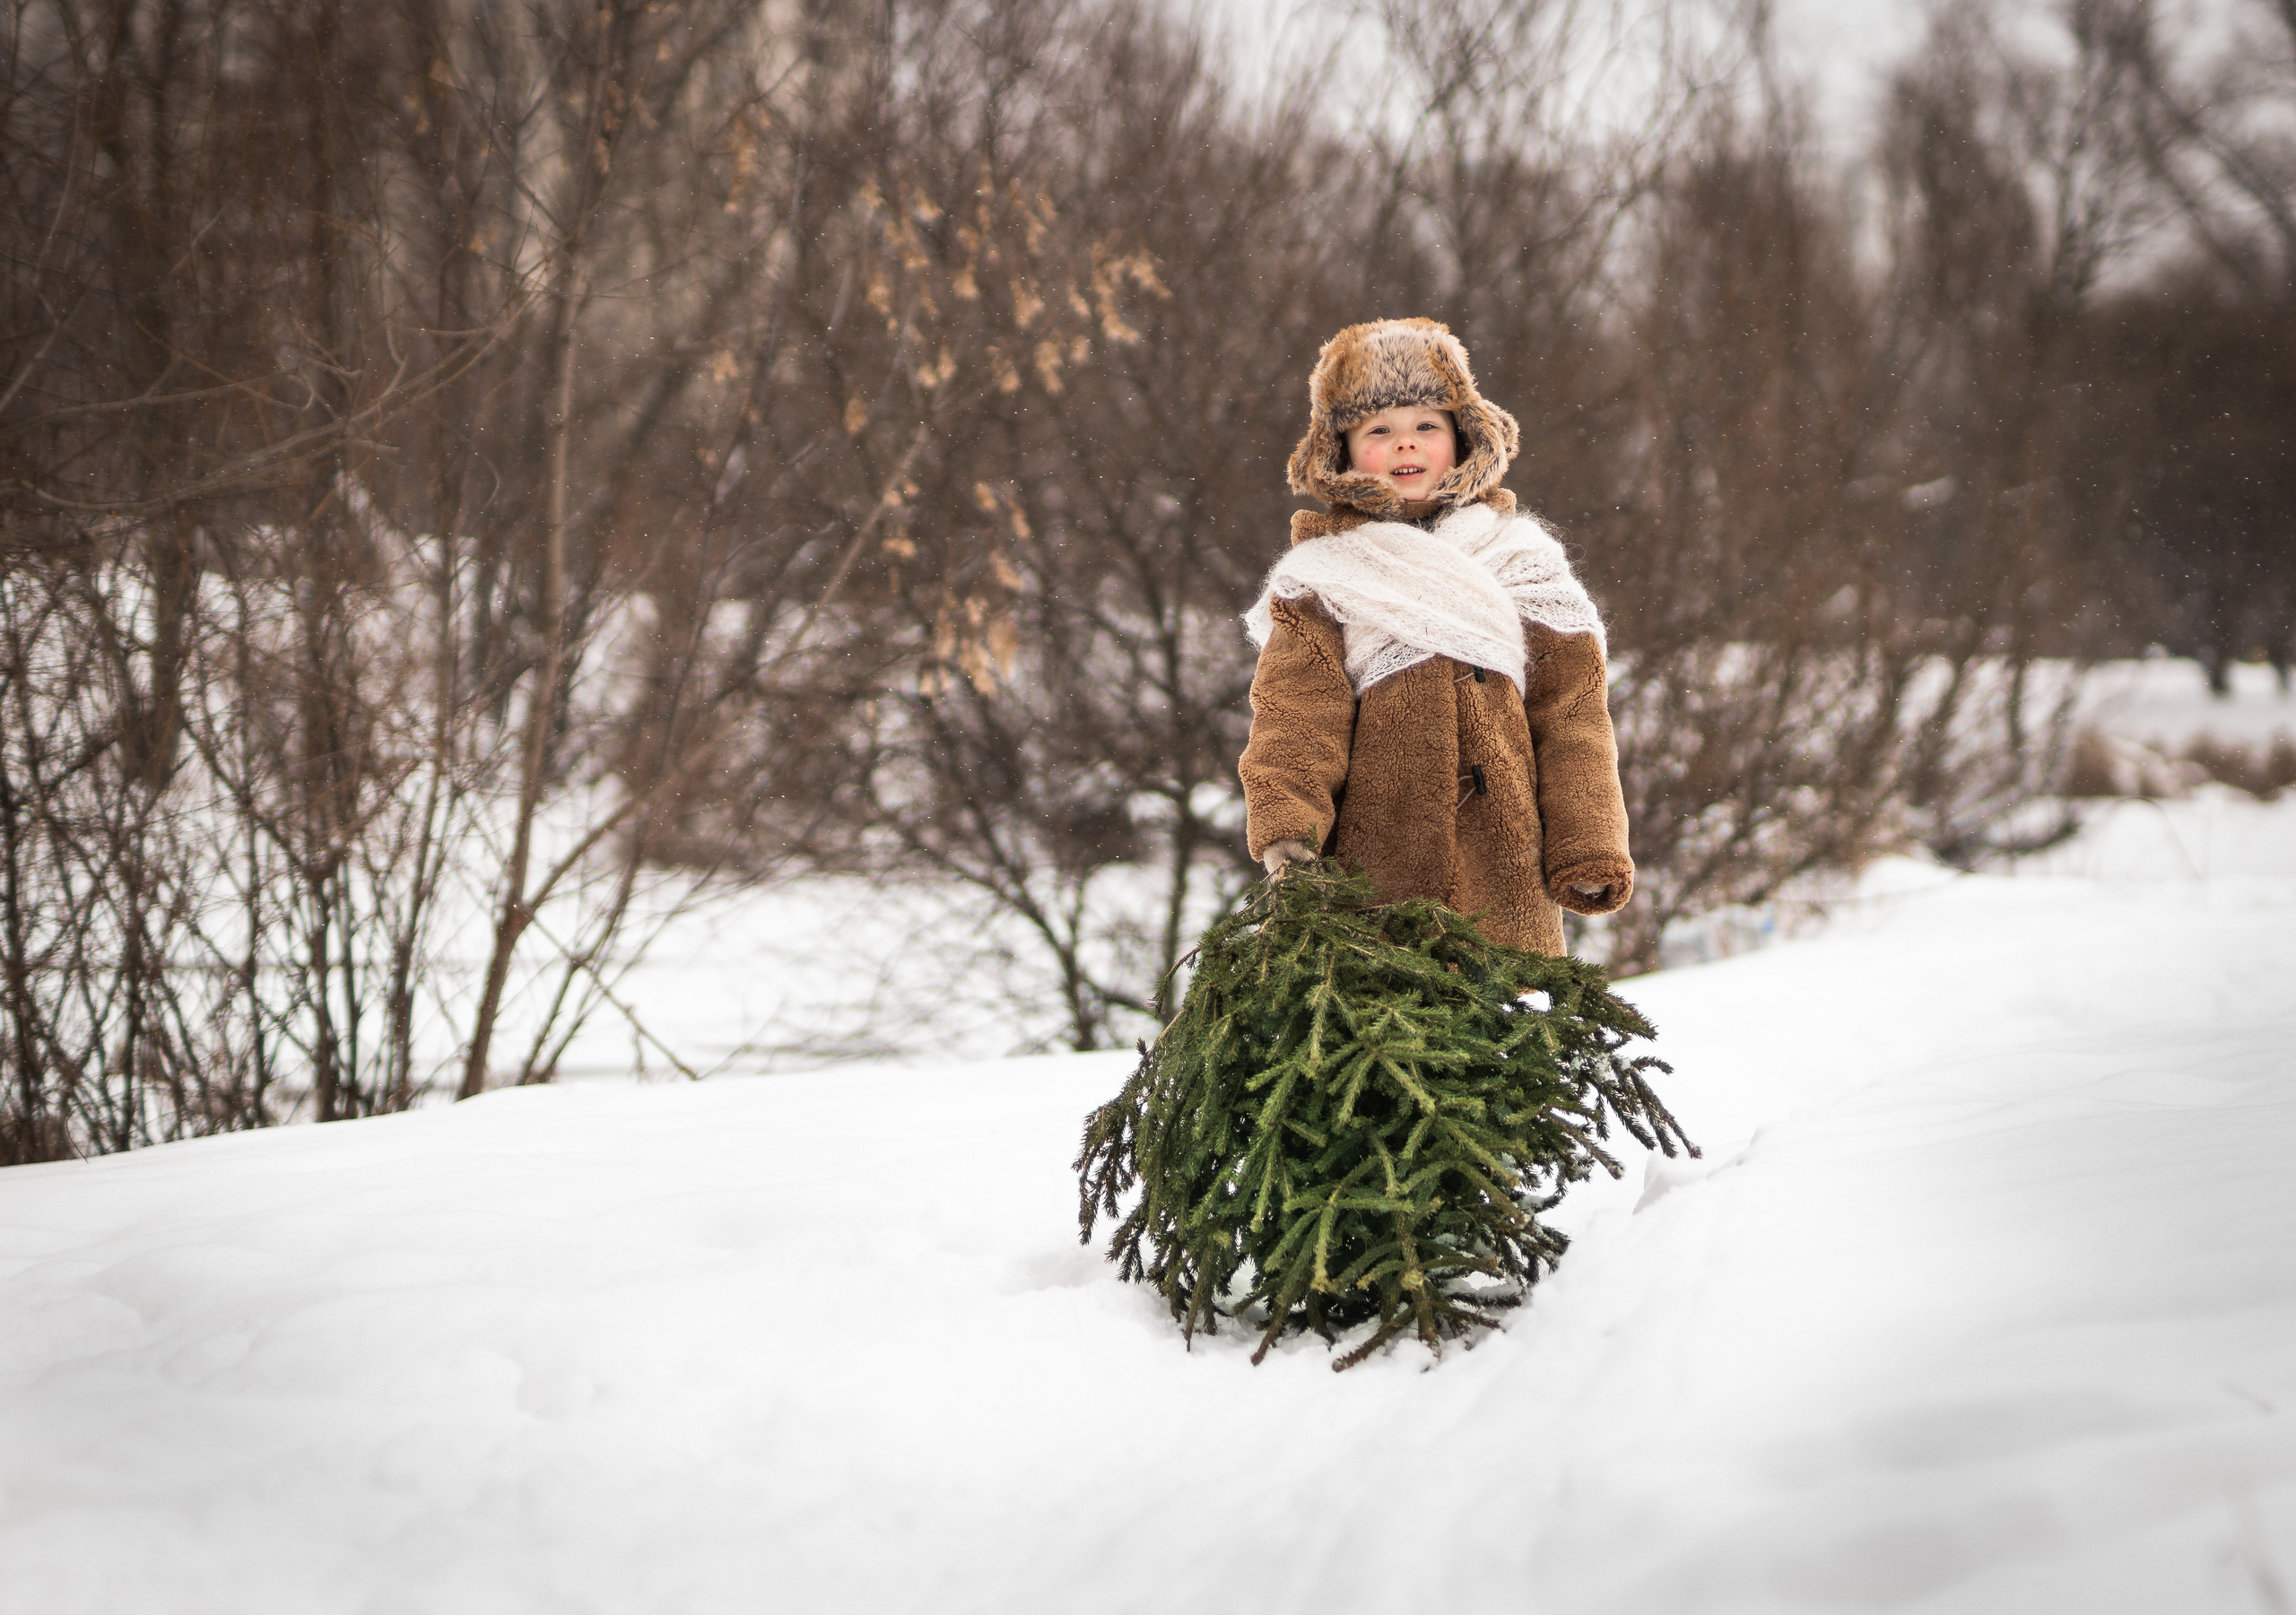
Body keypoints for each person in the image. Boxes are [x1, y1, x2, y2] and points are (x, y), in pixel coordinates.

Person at [1238, 317, 1633, 957]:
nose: (1405, 445)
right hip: (1376, 880)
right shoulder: (1323, 580)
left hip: (1507, 871)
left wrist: (1587, 842)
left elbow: (1572, 714)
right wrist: (1291, 835)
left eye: (1426, 426)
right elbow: (1294, 717)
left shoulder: (1522, 560)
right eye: (1379, 431)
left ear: (1463, 437)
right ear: (1340, 450)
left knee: (1499, 1037)